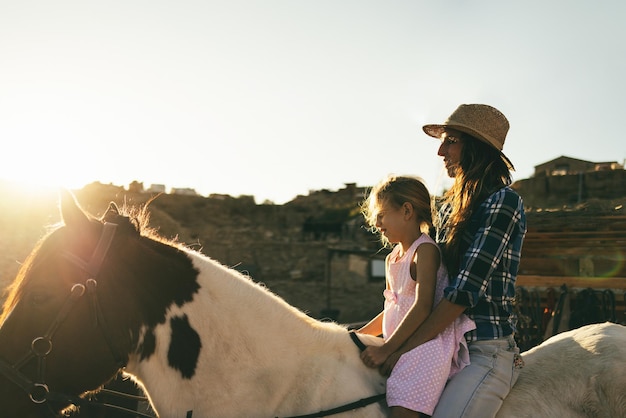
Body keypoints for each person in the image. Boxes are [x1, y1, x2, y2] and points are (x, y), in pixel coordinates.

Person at [373, 104, 527, 418]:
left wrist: (400, 349)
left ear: (477, 148)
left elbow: (463, 294)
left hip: (485, 348)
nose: (441, 150)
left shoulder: (503, 202)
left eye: (451, 141)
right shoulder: (449, 210)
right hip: (443, 345)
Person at [358, 175, 476, 418]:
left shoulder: (424, 251)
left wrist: (387, 348)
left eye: (381, 215)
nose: (376, 223)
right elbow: (392, 307)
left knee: (403, 412)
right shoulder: (392, 257)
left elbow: (422, 307)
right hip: (401, 344)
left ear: (407, 210)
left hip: (424, 347)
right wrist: (358, 336)